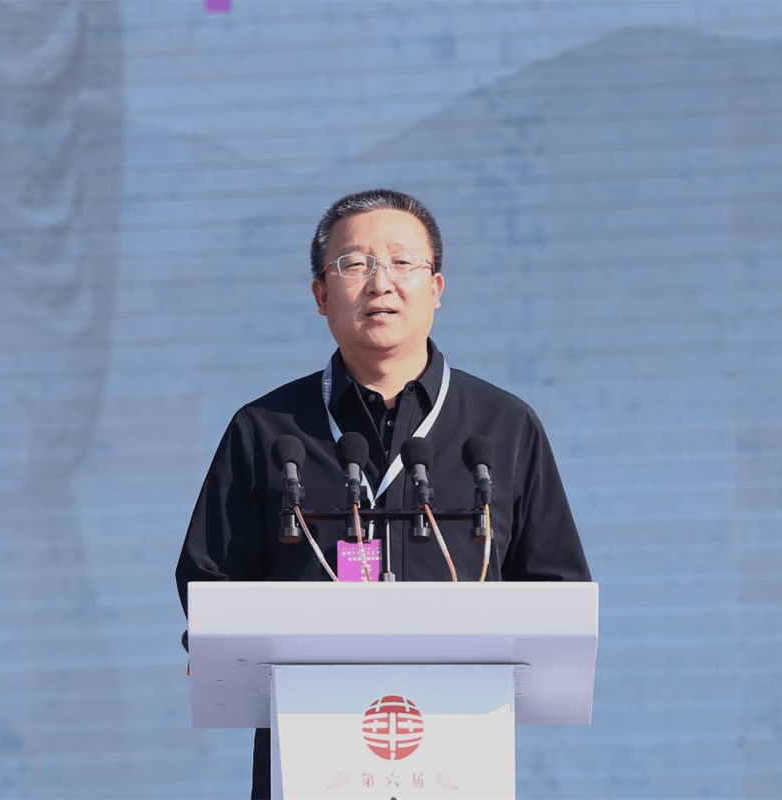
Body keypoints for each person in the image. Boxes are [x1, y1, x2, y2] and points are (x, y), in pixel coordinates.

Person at [174, 188, 590, 798]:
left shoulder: (503, 428)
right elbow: (210, 580)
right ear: (321, 294)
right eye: (354, 264)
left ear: (437, 288)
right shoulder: (265, 431)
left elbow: (557, 592)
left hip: (458, 753)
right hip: (309, 752)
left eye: (401, 262)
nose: (380, 283)